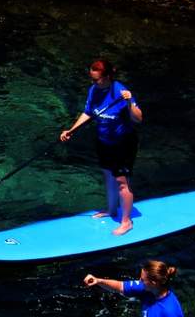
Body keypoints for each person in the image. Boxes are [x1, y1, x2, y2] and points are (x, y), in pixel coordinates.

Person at [59, 59, 144, 236]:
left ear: (107, 77)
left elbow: (138, 119)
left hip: (123, 143)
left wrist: (129, 103)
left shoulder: (120, 91)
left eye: (96, 79)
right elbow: (88, 113)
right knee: (108, 177)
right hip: (104, 140)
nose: (93, 83)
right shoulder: (94, 90)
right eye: (92, 79)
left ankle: (127, 222)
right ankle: (111, 210)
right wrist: (72, 130)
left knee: (122, 182)